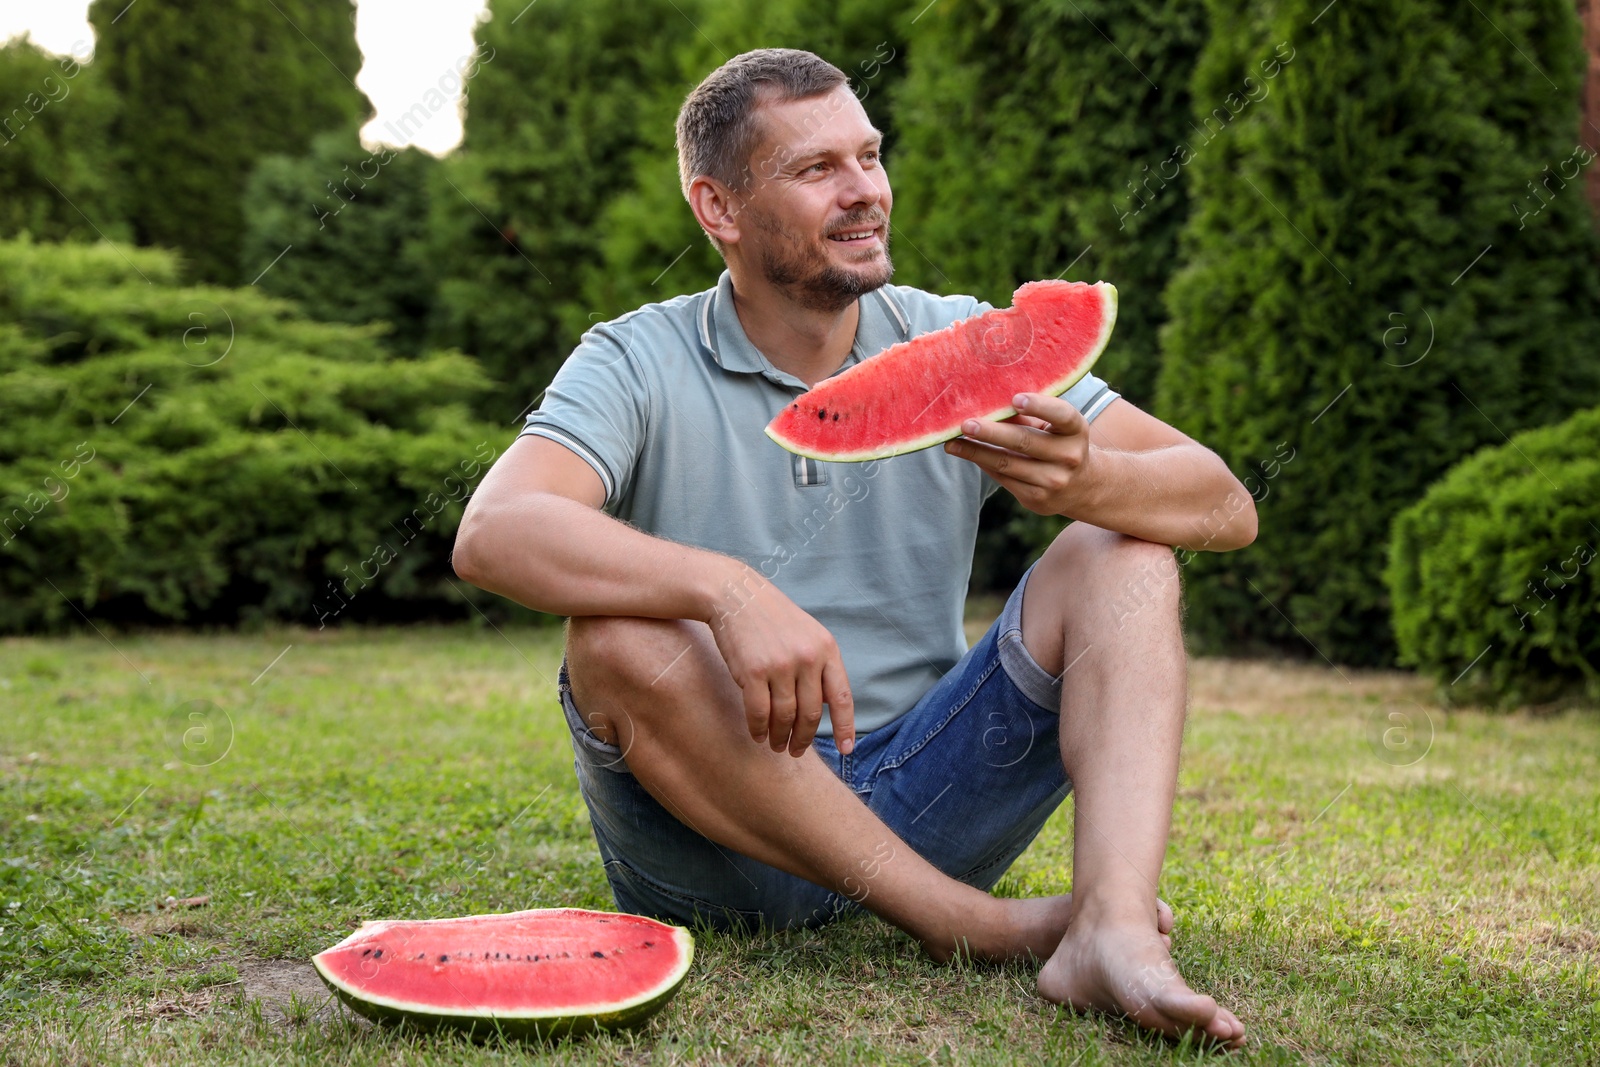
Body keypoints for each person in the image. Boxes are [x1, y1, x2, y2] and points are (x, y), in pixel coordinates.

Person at [452, 47, 1255, 1050]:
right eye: (816, 168)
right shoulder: (634, 358)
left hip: (932, 789)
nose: (864, 191)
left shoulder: (954, 337)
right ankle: (977, 925)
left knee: (1125, 554)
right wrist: (723, 588)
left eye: (869, 156)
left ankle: (1113, 926)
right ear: (719, 207)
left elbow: (1223, 503)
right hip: (716, 840)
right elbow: (493, 532)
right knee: (614, 634)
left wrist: (1092, 478)